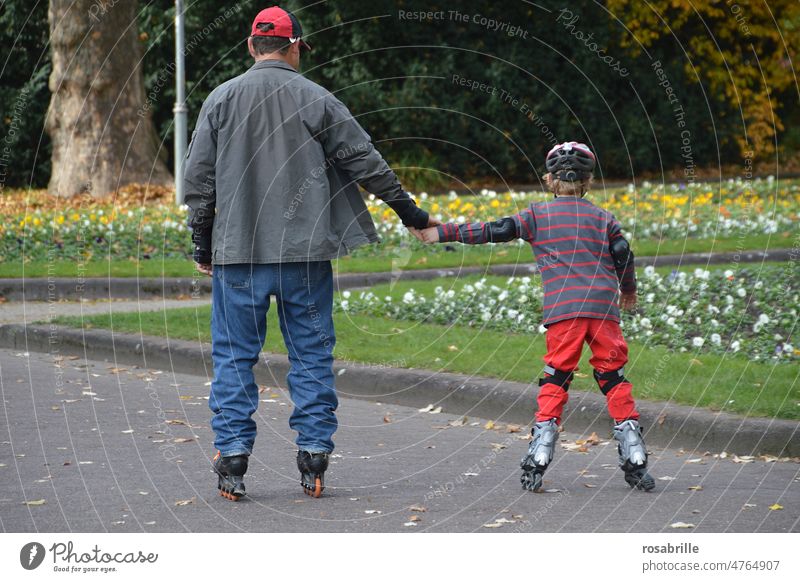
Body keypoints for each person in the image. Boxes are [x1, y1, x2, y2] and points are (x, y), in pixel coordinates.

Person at [183, 5, 439, 501]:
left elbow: (199, 180)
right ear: (295, 45)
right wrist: (411, 213)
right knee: (310, 354)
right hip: (305, 256)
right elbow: (364, 159)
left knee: (235, 357)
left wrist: (202, 240)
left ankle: (233, 454)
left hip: (238, 255)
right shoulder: (316, 98)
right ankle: (315, 453)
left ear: (249, 46)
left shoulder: (221, 99)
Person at [417, 142, 655, 492]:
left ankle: (540, 452)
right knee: (613, 376)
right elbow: (623, 253)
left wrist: (440, 232)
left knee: (557, 376)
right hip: (604, 309)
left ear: (549, 181)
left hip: (564, 312)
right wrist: (628, 291)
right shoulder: (604, 218)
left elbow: (492, 230)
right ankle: (634, 454)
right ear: (589, 182)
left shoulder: (535, 216)